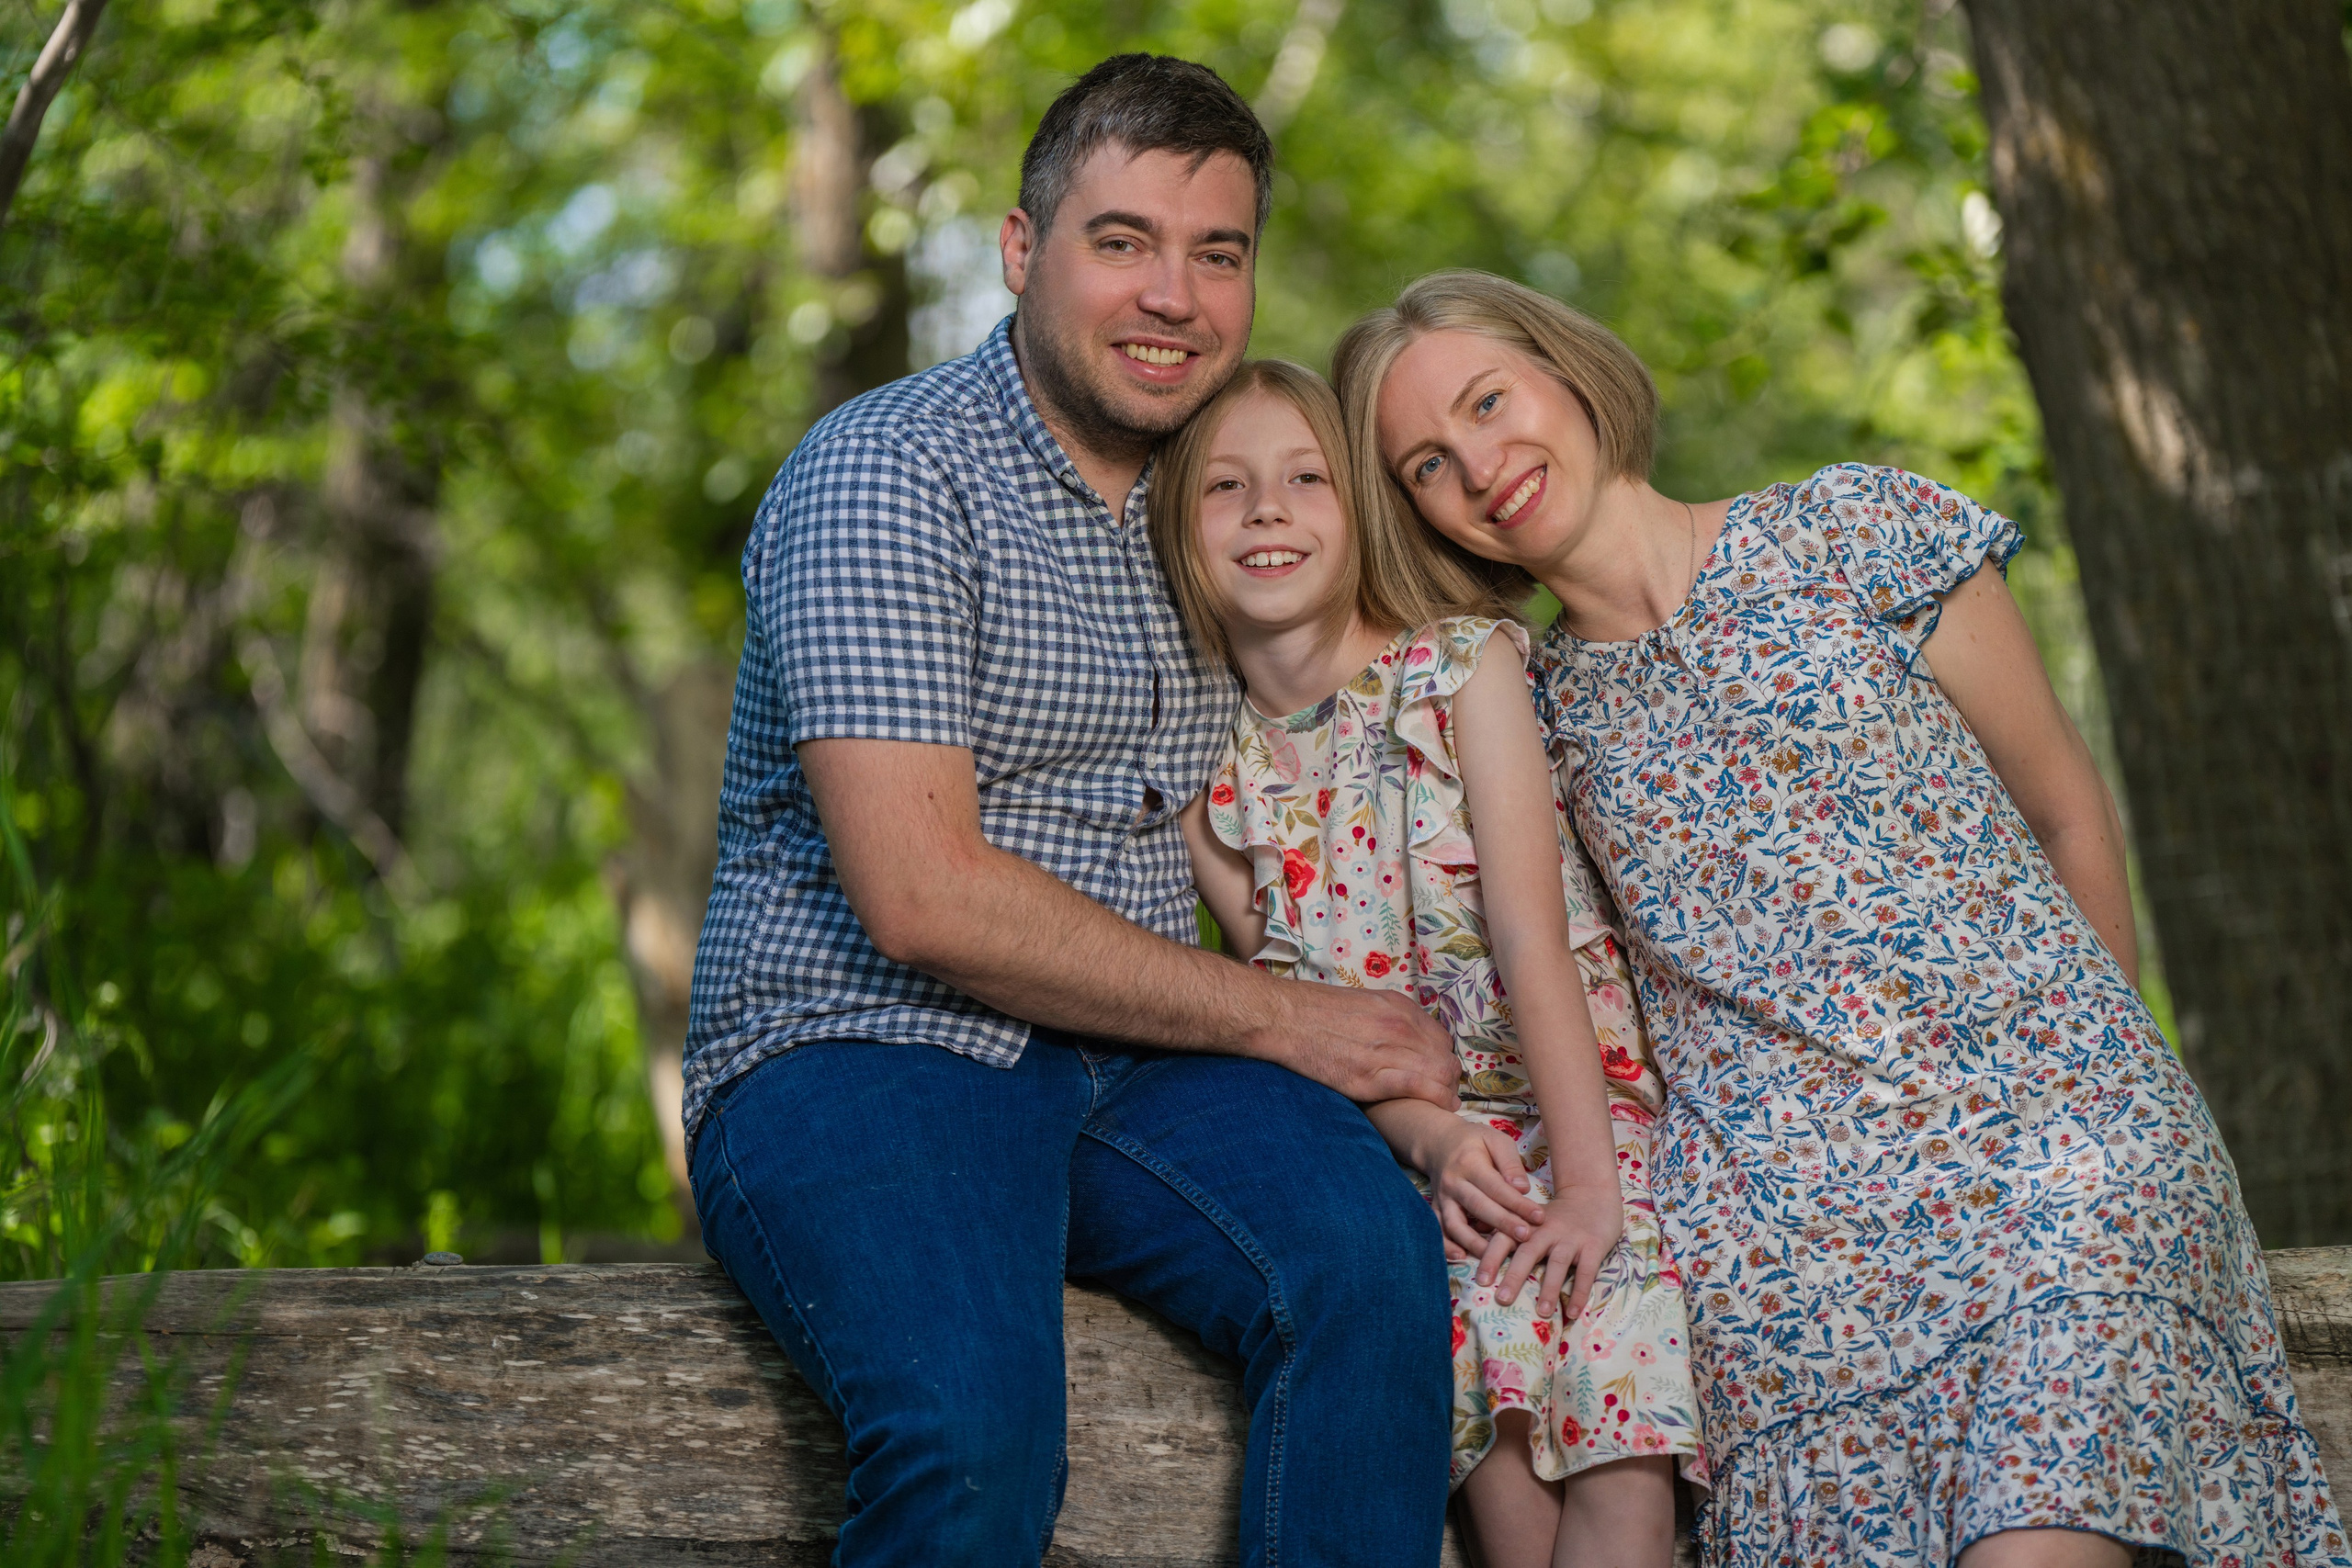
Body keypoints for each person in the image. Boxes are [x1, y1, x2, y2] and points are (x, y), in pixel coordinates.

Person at [1335, 269, 2351, 1568]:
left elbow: (2068, 817)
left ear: (1566, 371)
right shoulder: (1514, 709)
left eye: (1489, 400)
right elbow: (1464, 959)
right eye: (1428, 461)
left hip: (2058, 1151)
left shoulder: (1854, 529)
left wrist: (2107, 1092)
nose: (1482, 464)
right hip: (1777, 1230)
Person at [680, 57, 1462, 1568]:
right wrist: (1289, 1021)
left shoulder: (1217, 501)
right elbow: (922, 897)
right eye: (1123, 243)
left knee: (1371, 1268)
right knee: (974, 1435)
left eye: (1216, 254)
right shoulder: (888, 476)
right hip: (863, 1041)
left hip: (1137, 1062)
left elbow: (1404, 667)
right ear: (1022, 252)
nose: (1174, 294)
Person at [1148, 358, 1705, 1568]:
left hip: (1589, 1122)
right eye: (1225, 489)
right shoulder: (1218, 788)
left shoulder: (1460, 670)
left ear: (1357, 510)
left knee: (1621, 1470)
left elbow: (1531, 937)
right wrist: (1438, 1145)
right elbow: (1303, 1032)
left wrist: (1590, 1191)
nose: (1267, 512)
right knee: (1506, 1489)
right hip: (1431, 1168)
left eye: (1306, 479)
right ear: (1179, 535)